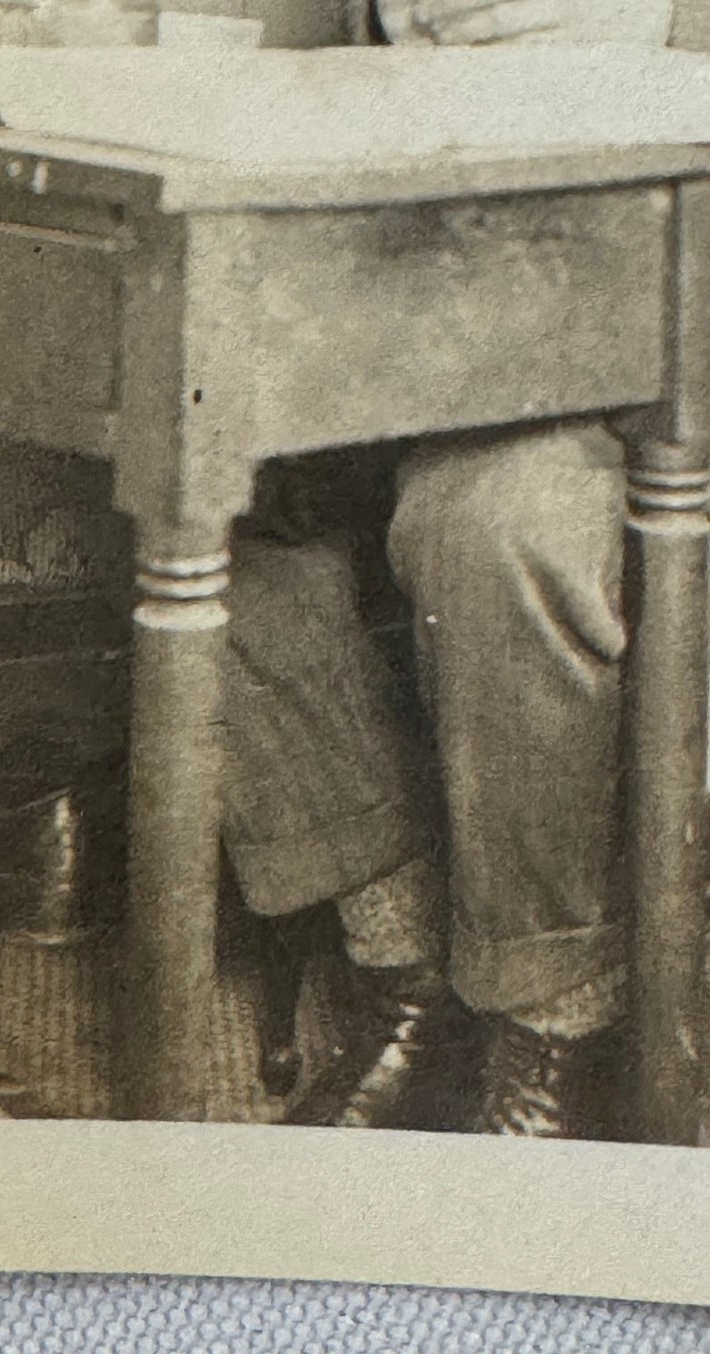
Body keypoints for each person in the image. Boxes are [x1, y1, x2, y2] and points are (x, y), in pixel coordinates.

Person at [220, 0, 691, 1139]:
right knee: (207, 486)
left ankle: (552, 1019)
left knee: (496, 518)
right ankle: (406, 965)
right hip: (438, 282)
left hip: (669, 327)